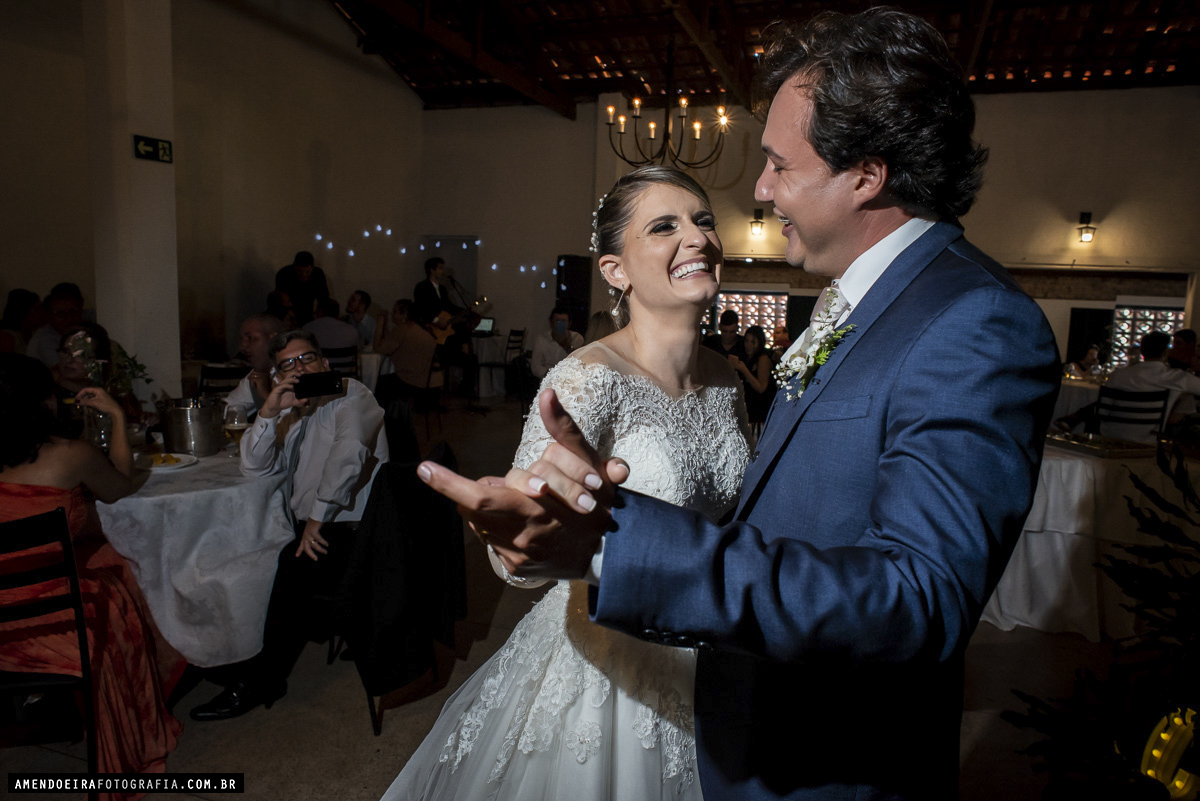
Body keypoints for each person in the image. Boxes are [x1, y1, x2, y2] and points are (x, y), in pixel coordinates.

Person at [418, 9, 1060, 800]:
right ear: (614, 269)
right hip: (714, 686)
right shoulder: (868, 303)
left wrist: (616, 545)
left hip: (824, 744)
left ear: (865, 173)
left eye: (779, 166)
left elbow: (915, 597)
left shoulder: (973, 320)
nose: (755, 193)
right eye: (665, 225)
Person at [383, 166, 749, 801]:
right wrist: (516, 538)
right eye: (664, 227)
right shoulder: (586, 379)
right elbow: (523, 550)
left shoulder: (726, 381)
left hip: (712, 635)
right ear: (616, 271)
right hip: (614, 659)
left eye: (703, 221)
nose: (697, 238)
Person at [0, 354, 183, 792]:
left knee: (109, 569)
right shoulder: (66, 457)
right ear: (40, 403)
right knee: (123, 581)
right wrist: (116, 416)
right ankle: (127, 727)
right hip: (50, 625)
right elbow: (120, 486)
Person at [189, 330, 388, 721]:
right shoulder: (293, 410)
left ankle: (261, 679)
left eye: (306, 359)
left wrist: (316, 519)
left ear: (325, 363)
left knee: (282, 569)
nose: (299, 369)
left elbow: (349, 455)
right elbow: (253, 466)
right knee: (231, 550)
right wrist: (268, 411)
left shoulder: (352, 394)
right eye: (287, 365)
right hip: (308, 522)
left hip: (353, 530)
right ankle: (225, 652)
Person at [1102, 330, 1200, 443]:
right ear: (1166, 352)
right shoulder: (1178, 378)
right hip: (1148, 439)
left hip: (1111, 435)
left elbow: (1104, 412)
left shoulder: (1117, 375)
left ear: (1142, 351)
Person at [225, 313, 285, 419]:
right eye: (242, 339)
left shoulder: (295, 372)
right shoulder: (256, 376)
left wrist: (266, 395)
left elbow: (295, 425)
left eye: (251, 338)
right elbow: (228, 410)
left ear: (273, 339)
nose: (242, 346)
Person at [375, 300, 437, 390]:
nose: (392, 314)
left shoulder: (401, 330)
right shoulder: (419, 329)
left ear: (404, 315)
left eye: (395, 312)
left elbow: (379, 348)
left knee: (378, 382)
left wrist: (380, 323)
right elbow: (389, 341)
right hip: (428, 380)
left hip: (411, 380)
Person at [729, 324, 775, 434]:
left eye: (752, 342)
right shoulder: (747, 357)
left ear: (759, 343)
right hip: (748, 411)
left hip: (759, 414)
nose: (748, 345)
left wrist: (744, 369)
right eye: (747, 341)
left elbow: (761, 387)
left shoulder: (762, 359)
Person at [26, 282, 85, 367]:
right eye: (60, 314)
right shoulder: (45, 339)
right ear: (48, 316)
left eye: (72, 311)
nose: (68, 317)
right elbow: (67, 369)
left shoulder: (81, 331)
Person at [274, 251, 329, 326]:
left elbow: (324, 298)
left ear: (312, 268)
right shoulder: (284, 274)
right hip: (286, 316)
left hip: (307, 315)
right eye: (299, 271)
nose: (303, 275)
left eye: (307, 272)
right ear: (294, 267)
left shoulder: (317, 274)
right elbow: (279, 299)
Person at [530, 306, 584, 378]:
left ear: (569, 323)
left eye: (563, 321)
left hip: (569, 378)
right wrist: (551, 375)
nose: (560, 324)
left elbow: (580, 363)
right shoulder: (542, 339)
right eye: (557, 321)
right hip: (548, 378)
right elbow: (535, 366)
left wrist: (566, 344)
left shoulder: (576, 338)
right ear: (551, 322)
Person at [0, 288, 41, 354]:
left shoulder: (37, 334)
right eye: (36, 310)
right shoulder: (7, 338)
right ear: (23, 312)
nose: (41, 313)